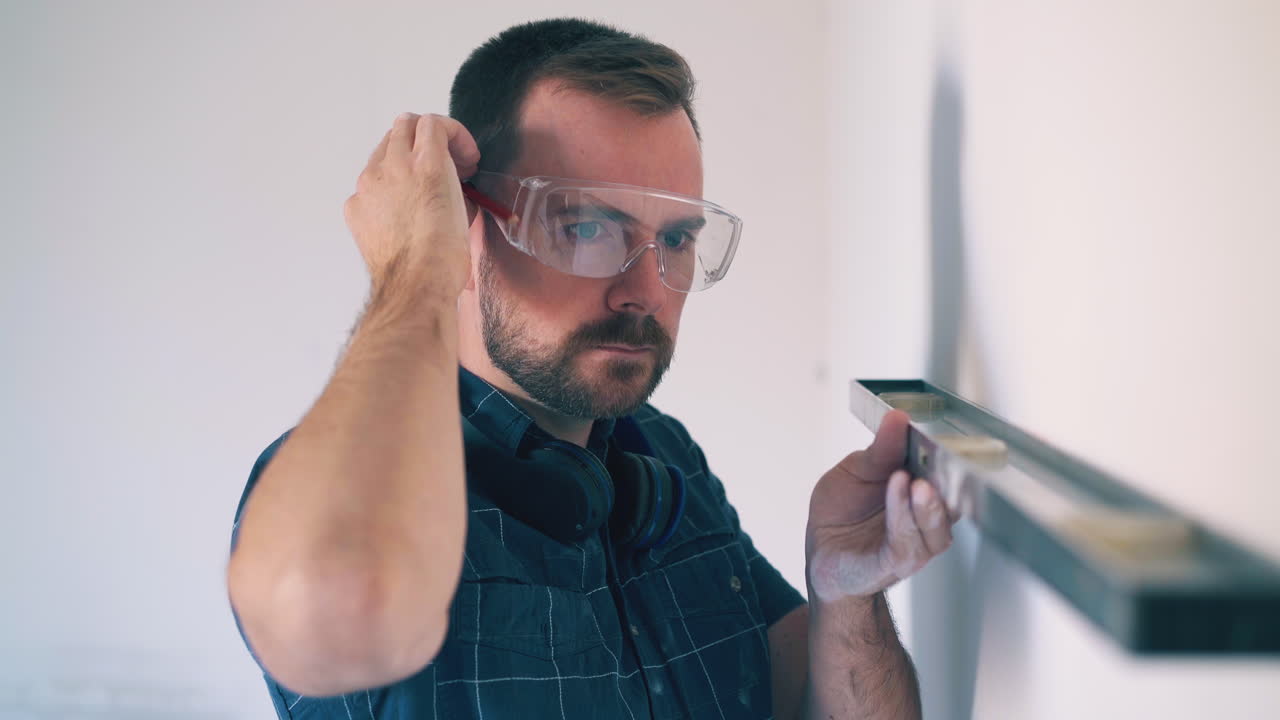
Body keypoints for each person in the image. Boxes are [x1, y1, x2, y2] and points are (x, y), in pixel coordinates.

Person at [226, 17, 953, 720]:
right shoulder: (351, 488)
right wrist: (413, 271)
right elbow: (337, 608)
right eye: (585, 228)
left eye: (674, 237)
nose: (645, 289)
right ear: (467, 226)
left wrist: (844, 594)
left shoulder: (661, 453)